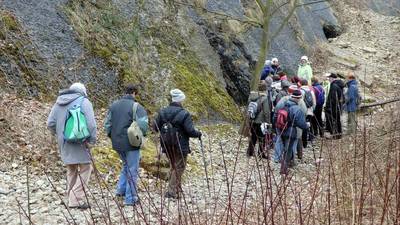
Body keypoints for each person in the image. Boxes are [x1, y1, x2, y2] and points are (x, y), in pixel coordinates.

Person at [47, 83, 97, 209]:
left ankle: (70, 197)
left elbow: (50, 123)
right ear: (83, 92)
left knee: (71, 168)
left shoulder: (58, 102)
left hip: (63, 142)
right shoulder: (84, 102)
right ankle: (75, 199)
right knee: (86, 168)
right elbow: (91, 124)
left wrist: (59, 134)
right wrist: (92, 140)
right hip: (80, 141)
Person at [104, 84, 149, 206]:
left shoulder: (114, 105)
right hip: (131, 143)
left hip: (117, 142)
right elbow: (143, 125)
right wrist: (142, 137)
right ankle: (131, 198)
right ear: (134, 93)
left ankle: (121, 191)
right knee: (132, 169)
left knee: (126, 165)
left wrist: (112, 137)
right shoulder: (136, 106)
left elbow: (107, 125)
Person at [153, 89, 202, 199]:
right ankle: (171, 192)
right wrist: (198, 133)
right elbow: (190, 131)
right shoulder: (184, 114)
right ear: (180, 100)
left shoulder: (162, 112)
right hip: (180, 145)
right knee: (179, 167)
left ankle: (176, 188)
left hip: (166, 143)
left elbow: (155, 127)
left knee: (173, 166)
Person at [275, 90, 309, 175]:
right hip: (290, 131)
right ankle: (284, 169)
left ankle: (279, 160)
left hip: (281, 129)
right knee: (288, 150)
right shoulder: (296, 109)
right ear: (298, 98)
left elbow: (275, 115)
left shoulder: (283, 103)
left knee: (283, 147)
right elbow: (301, 123)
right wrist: (307, 126)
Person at [247, 83, 273, 158]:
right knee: (262, 137)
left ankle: (250, 152)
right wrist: (268, 122)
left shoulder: (251, 96)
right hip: (261, 121)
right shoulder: (264, 98)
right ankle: (261, 153)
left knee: (253, 137)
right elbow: (266, 112)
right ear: (265, 90)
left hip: (252, 119)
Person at [325, 73, 345, 139]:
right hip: (338, 106)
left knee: (333, 120)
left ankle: (334, 135)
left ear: (332, 78)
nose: (328, 79)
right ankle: (338, 134)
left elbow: (333, 98)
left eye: (329, 78)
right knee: (337, 120)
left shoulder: (334, 86)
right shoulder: (339, 84)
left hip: (333, 107)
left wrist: (328, 106)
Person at [299, 79, 316, 146]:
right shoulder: (311, 91)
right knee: (309, 124)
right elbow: (314, 103)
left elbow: (300, 103)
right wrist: (312, 110)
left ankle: (304, 142)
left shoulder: (300, 91)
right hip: (310, 111)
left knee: (303, 126)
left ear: (301, 84)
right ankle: (310, 138)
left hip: (303, 112)